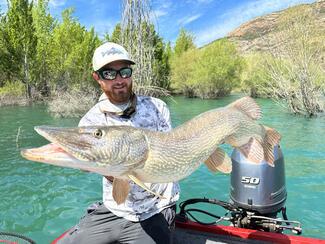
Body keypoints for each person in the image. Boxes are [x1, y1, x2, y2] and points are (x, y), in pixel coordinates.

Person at [58, 42, 180, 244]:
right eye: (109, 74)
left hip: (155, 208)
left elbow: (170, 154)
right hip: (114, 208)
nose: (119, 80)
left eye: (124, 71)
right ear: (97, 77)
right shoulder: (90, 122)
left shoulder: (157, 107)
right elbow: (87, 165)